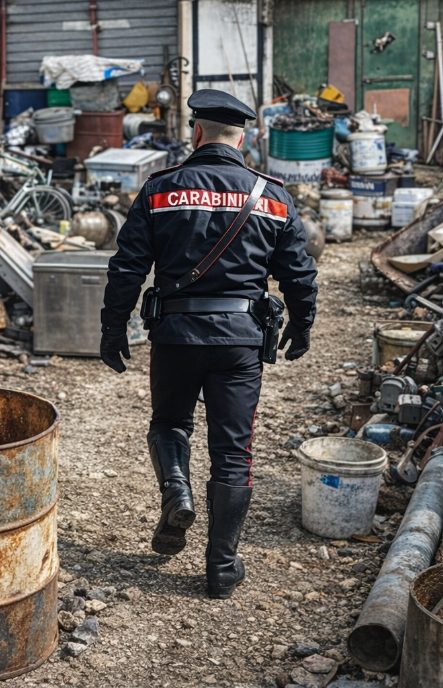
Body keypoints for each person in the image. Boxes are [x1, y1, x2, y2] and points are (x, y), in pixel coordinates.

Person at [99, 89, 318, 598]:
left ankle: (177, 493)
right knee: (233, 452)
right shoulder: (273, 195)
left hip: (175, 336)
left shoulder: (160, 189)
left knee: (170, 423)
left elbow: (127, 267)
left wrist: (113, 329)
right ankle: (221, 566)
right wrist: (302, 326)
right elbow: (300, 275)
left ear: (196, 132)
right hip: (240, 344)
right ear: (243, 138)